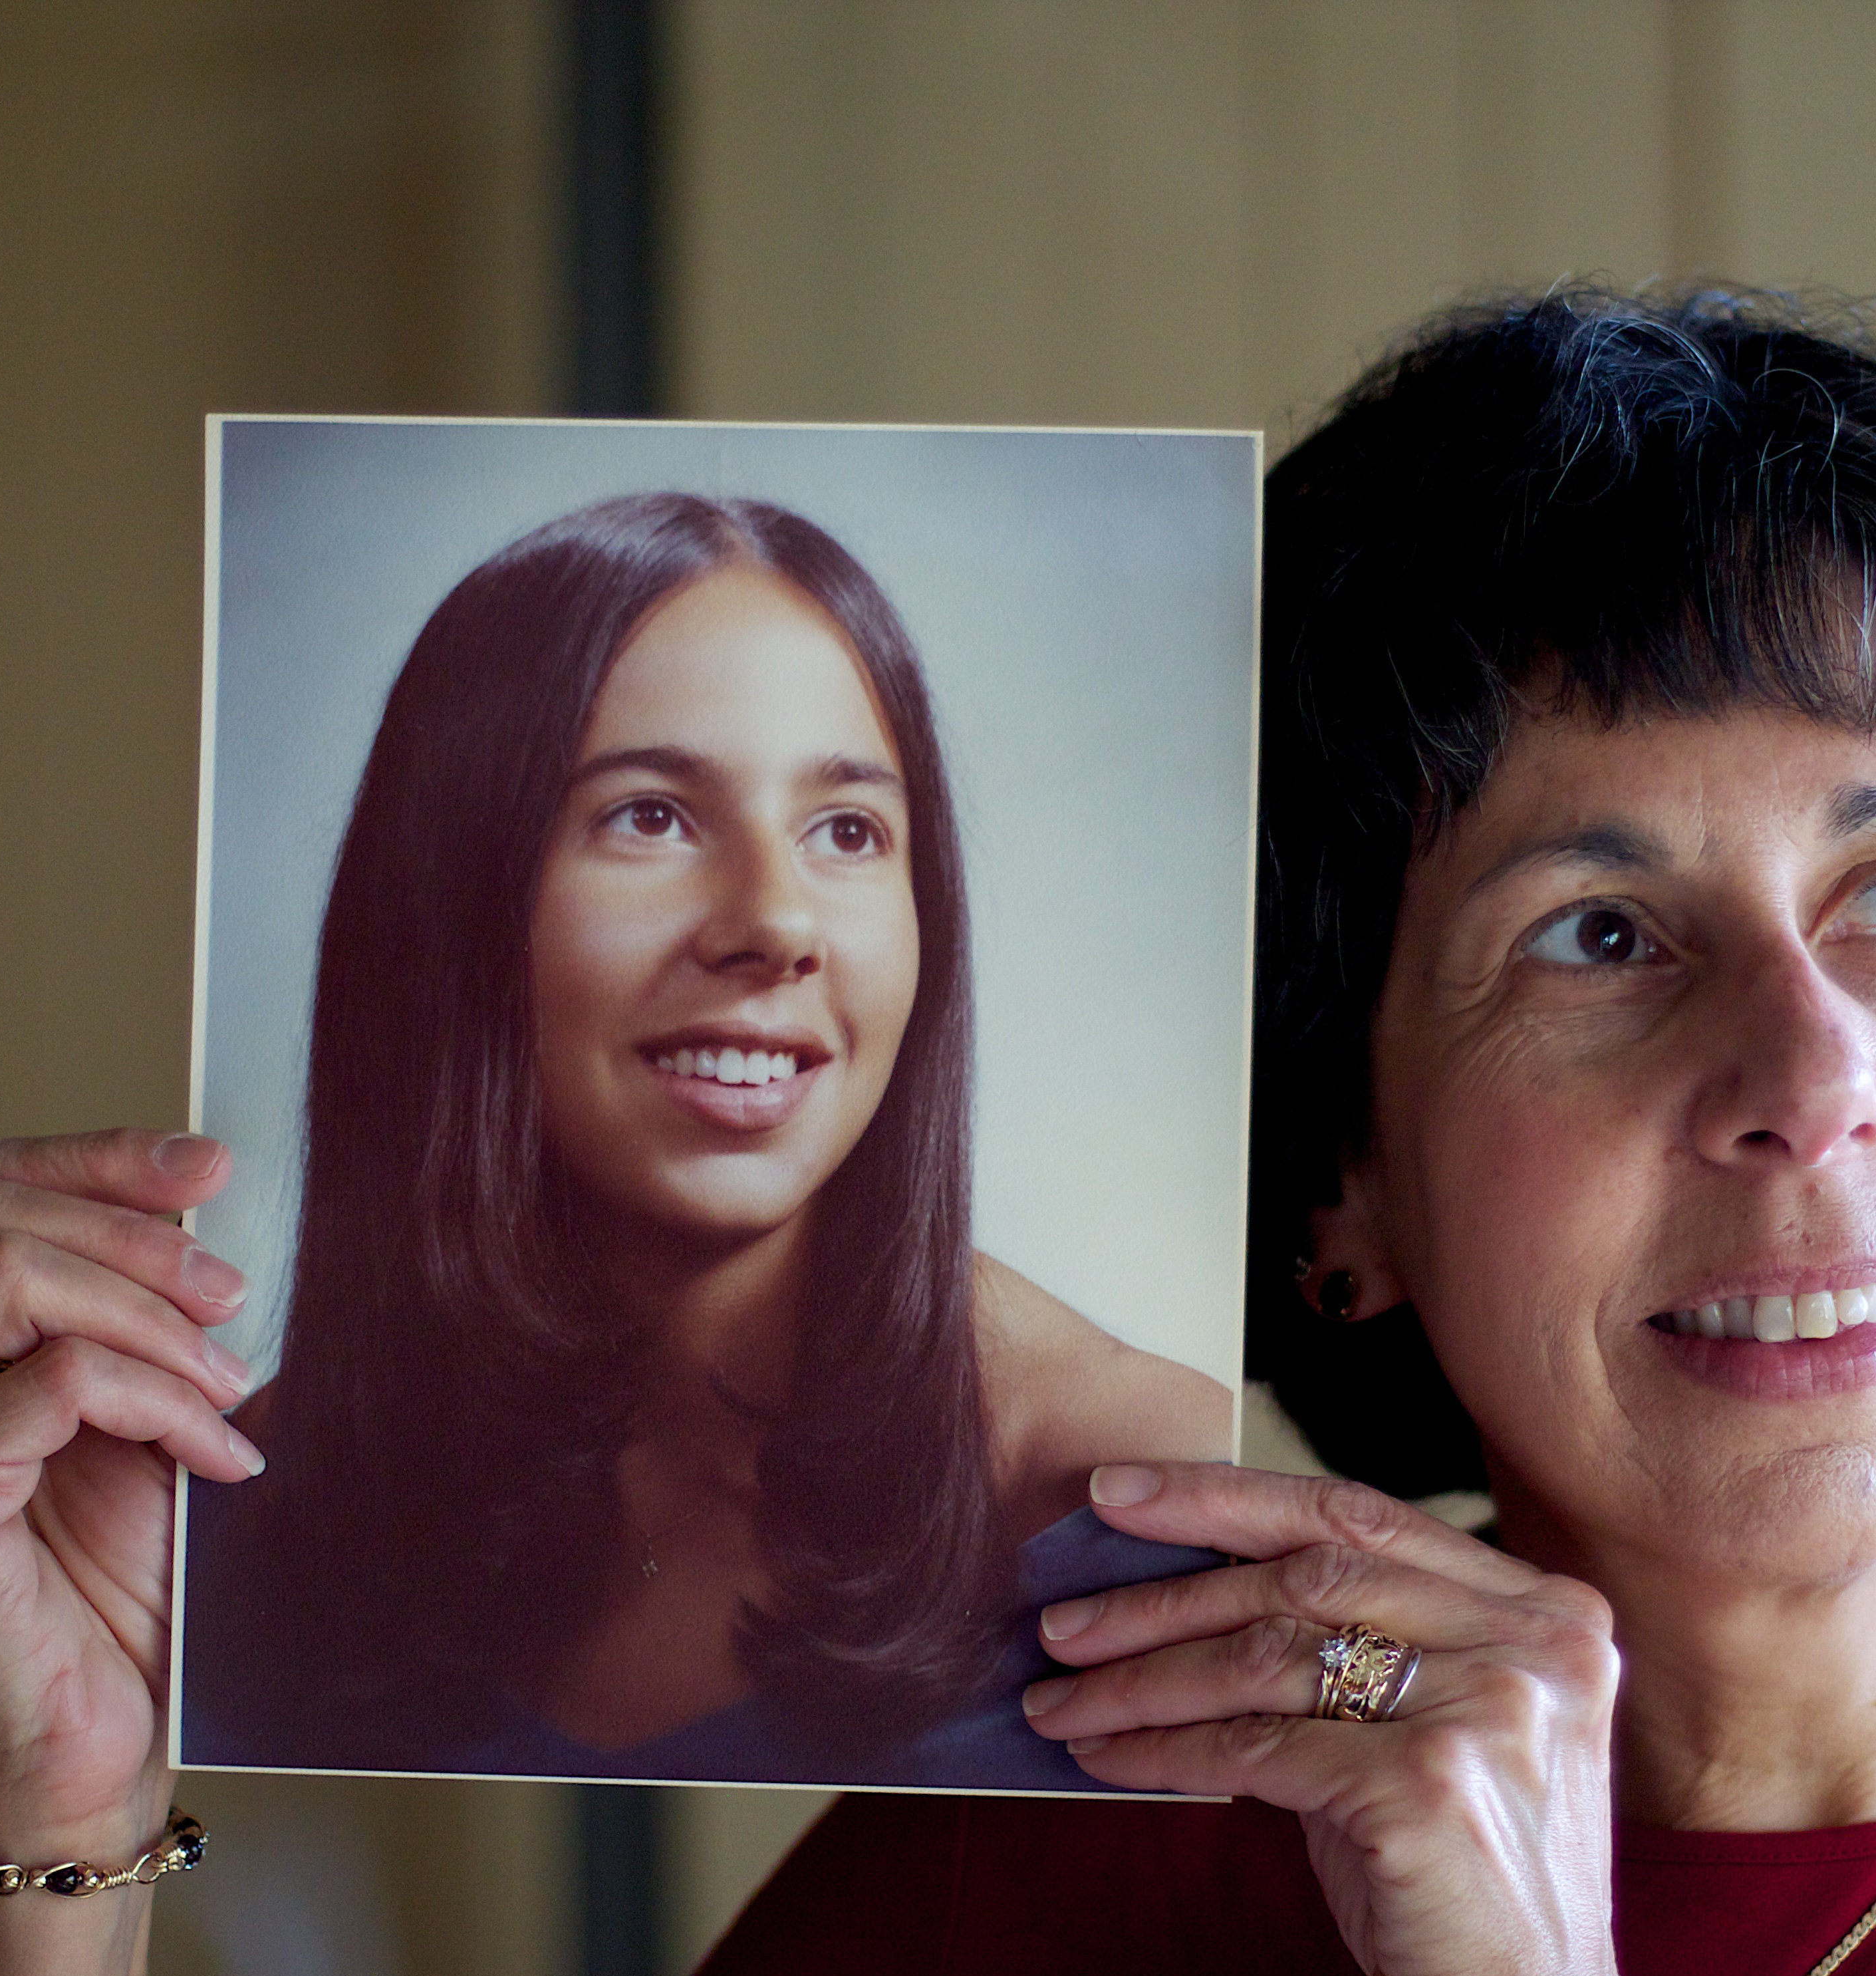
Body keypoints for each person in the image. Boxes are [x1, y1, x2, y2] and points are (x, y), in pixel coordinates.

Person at [0, 291, 1876, 1976]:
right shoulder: (1032, 1863)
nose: (1810, 1074)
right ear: (1329, 1187)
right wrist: (51, 1871)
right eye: (1599, 930)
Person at [174, 490, 1226, 1788]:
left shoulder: (1164, 1499)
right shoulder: (219, 1529)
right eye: (651, 815)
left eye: (846, 831)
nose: (776, 923)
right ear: (443, 908)